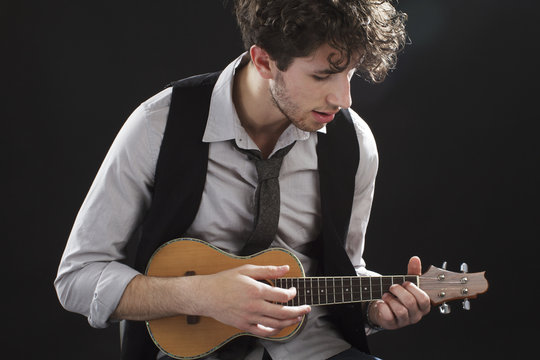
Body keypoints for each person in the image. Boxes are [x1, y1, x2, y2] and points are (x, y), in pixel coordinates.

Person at [55, 1, 431, 359]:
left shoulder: (355, 143)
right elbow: (78, 277)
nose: (344, 98)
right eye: (322, 75)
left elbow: (347, 270)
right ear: (264, 60)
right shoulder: (159, 125)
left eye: (350, 73)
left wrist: (374, 312)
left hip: (314, 349)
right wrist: (197, 295)